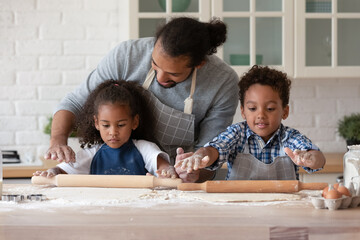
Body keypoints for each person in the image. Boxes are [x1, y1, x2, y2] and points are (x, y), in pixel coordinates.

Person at [44, 17, 239, 182]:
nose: (160, 78)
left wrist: (192, 171)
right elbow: (75, 103)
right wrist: (58, 139)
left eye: (172, 74)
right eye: (155, 65)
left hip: (173, 181)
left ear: (199, 65)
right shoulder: (127, 55)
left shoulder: (222, 81)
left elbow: (211, 150)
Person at [174, 65, 326, 180]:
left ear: (284, 111)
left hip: (283, 210)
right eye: (253, 108)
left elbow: (318, 159)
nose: (260, 115)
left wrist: (310, 158)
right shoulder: (236, 134)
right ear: (243, 111)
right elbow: (215, 148)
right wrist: (200, 156)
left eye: (270, 108)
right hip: (239, 210)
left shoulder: (290, 138)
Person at [35, 80, 177, 178]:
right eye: (106, 125)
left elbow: (164, 167)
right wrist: (51, 172)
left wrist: (168, 172)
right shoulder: (91, 155)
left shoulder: (145, 149)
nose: (113, 132)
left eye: (121, 125)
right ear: (96, 123)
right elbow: (61, 170)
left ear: (134, 122)